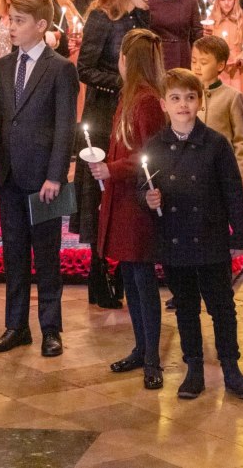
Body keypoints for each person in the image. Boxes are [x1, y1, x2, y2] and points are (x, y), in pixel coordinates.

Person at [142, 68, 243, 399]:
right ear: (164, 104)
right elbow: (143, 185)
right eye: (175, 98)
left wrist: (240, 235)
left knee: (222, 306)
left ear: (200, 101)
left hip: (210, 237)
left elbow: (233, 192)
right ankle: (193, 368)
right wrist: (147, 198)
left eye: (190, 98)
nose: (183, 105)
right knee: (186, 307)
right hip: (175, 238)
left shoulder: (215, 144)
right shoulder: (156, 145)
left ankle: (231, 367)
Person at [0, 0, 79, 359]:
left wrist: (56, 175)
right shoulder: (4, 66)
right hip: (10, 173)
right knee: (15, 254)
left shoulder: (60, 68)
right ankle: (16, 326)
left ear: (40, 25)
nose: (11, 27)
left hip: (45, 178)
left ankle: (51, 329)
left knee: (48, 256)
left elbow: (65, 126)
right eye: (10, 19)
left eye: (19, 21)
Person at [74, 0, 158, 308]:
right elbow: (85, 68)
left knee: (129, 188)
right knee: (100, 193)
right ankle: (99, 275)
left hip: (132, 112)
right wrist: (124, 84)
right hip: (105, 111)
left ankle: (126, 269)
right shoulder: (101, 17)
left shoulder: (142, 16)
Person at [87, 28, 166, 389]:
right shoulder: (130, 96)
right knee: (131, 280)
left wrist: (112, 169)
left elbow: (151, 156)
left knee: (142, 281)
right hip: (123, 200)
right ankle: (140, 347)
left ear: (126, 61)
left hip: (136, 204)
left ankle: (152, 359)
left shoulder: (146, 101)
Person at [190, 36, 243, 183]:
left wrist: (240, 175)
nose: (197, 66)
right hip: (191, 170)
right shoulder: (186, 95)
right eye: (193, 61)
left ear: (220, 65)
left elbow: (241, 141)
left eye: (203, 62)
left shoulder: (232, 97)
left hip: (221, 170)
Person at [147, 0, 203, 70]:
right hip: (158, 57)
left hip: (183, 56)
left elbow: (197, 32)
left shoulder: (190, 1)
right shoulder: (151, 2)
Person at [210, 0, 243, 98]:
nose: (226, 3)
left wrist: (241, 58)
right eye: (223, 0)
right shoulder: (212, 23)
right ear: (218, 1)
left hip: (238, 72)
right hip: (219, 72)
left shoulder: (242, 23)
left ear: (235, 0)